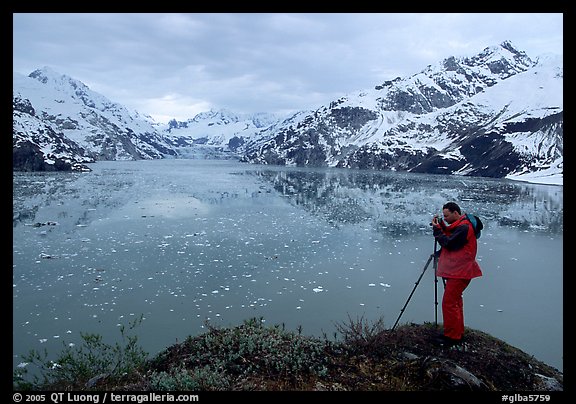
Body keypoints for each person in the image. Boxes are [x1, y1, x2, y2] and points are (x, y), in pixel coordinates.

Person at [431, 201, 482, 346]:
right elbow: (451, 238)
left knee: (449, 303)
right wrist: (441, 227)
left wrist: (437, 231)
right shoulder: (461, 226)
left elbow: (449, 243)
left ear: (455, 213)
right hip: (460, 271)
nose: (445, 218)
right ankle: (455, 333)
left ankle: (452, 337)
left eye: (446, 216)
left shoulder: (464, 227)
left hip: (460, 272)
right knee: (455, 302)